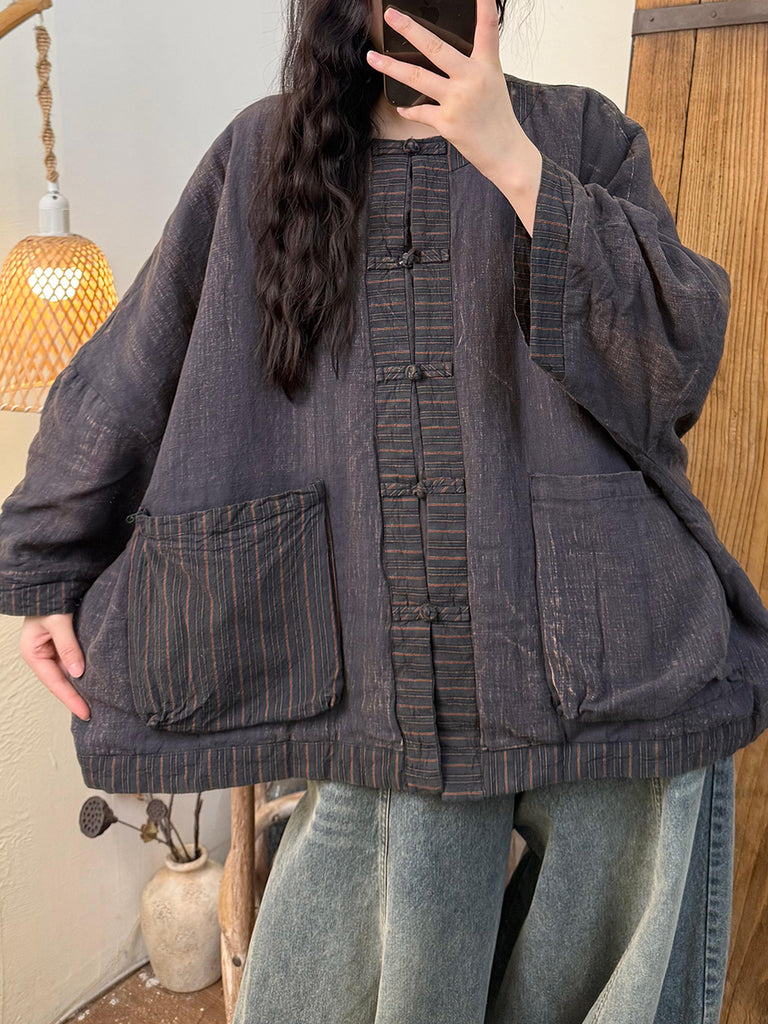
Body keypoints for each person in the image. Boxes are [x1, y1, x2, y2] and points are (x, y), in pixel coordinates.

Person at [0, 0, 761, 1019]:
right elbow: (136, 362)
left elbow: (673, 366)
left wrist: (516, 164)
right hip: (378, 682)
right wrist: (47, 559)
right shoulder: (260, 157)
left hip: (606, 653)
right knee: (377, 942)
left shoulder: (580, 133)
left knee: (624, 899)